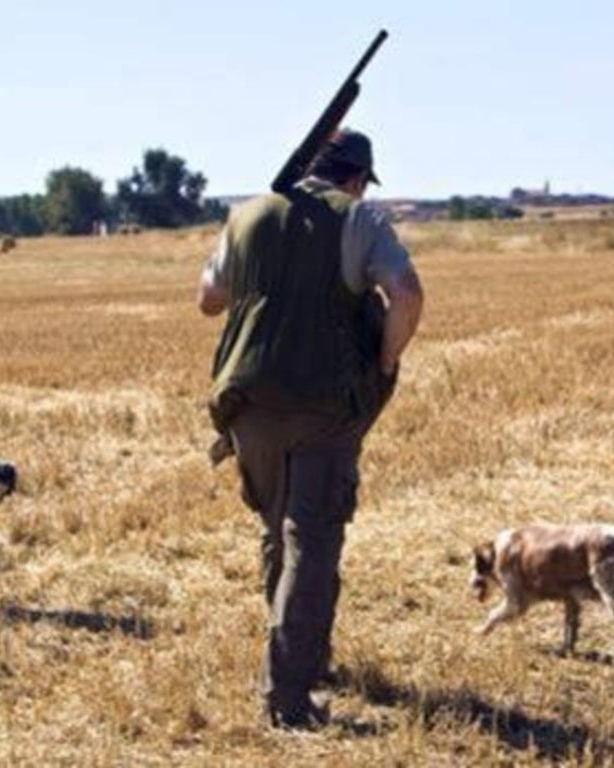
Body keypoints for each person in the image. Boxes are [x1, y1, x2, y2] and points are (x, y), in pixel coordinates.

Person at [197, 129, 424, 729]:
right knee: (313, 543)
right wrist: (385, 359)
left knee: (278, 531)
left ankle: (302, 658)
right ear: (357, 178)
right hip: (324, 405)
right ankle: (288, 698)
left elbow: (209, 299)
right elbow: (406, 294)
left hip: (246, 400)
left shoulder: (246, 215)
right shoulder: (359, 219)